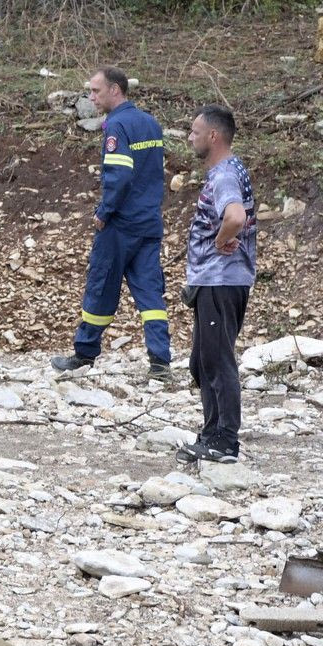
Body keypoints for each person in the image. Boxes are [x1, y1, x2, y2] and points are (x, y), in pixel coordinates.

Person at [52, 67, 171, 379]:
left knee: (101, 285)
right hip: (149, 223)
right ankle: (160, 362)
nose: (92, 97)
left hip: (120, 225)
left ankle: (83, 354)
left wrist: (104, 213)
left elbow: (119, 177)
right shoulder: (150, 123)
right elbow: (154, 174)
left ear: (115, 90)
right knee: (150, 293)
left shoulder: (116, 125)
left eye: (96, 91)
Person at [177, 105, 257, 465]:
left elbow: (235, 215)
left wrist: (222, 240)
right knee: (201, 361)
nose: (189, 137)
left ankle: (225, 440)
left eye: (194, 131)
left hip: (221, 281)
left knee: (216, 359)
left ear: (214, 136)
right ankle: (211, 434)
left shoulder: (224, 174)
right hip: (215, 281)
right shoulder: (230, 169)